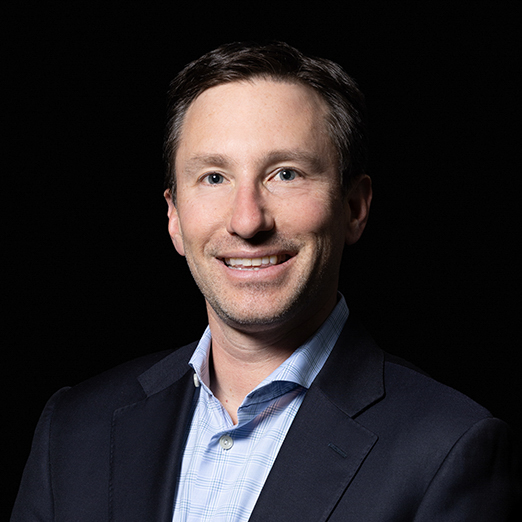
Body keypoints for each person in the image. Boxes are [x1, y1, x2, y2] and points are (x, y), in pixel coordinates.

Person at [11, 41, 518, 521]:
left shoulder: (448, 448)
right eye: (214, 177)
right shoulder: (72, 430)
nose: (248, 221)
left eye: (286, 174)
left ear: (354, 207)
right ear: (174, 217)